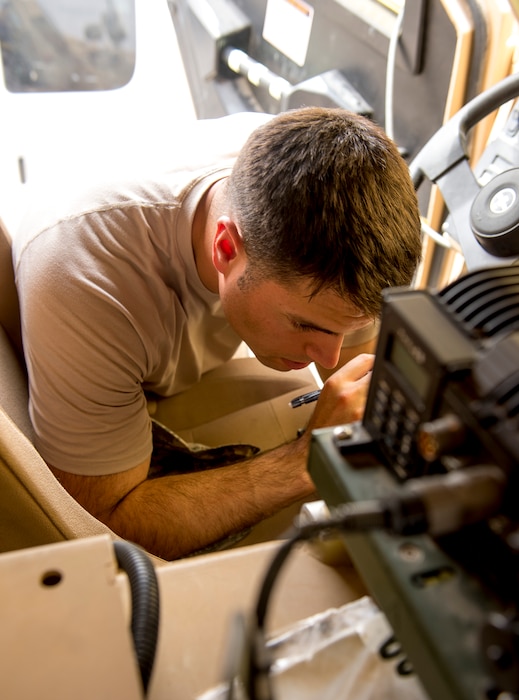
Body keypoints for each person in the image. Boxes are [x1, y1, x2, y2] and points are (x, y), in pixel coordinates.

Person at [13, 107, 422, 560]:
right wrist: (307, 461)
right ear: (226, 248)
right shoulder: (86, 284)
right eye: (305, 325)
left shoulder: (303, 168)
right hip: (110, 374)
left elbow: (354, 358)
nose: (329, 359)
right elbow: (105, 524)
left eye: (351, 325)